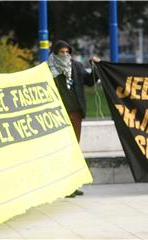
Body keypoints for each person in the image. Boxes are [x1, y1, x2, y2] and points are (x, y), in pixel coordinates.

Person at [48, 40, 100, 198]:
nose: (64, 55)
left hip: (76, 114)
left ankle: (72, 185)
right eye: (61, 52)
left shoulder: (76, 66)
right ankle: (63, 186)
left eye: (67, 52)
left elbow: (90, 81)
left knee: (73, 150)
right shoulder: (48, 70)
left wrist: (96, 67)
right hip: (58, 116)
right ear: (55, 53)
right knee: (61, 150)